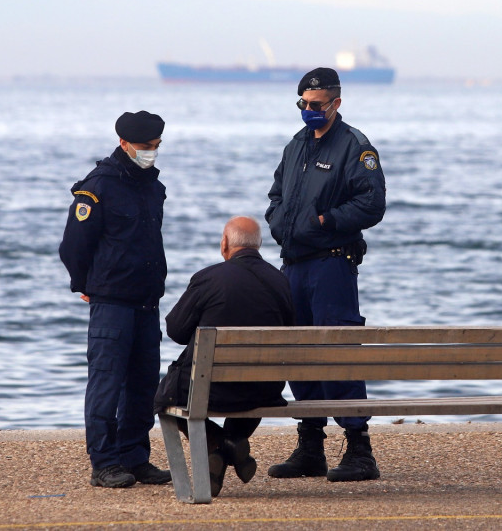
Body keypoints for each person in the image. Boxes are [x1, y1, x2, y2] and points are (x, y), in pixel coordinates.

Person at [264, 68, 386, 482]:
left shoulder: (355, 146)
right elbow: (276, 195)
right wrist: (279, 222)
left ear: (336, 103)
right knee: (297, 353)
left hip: (332, 264)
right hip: (293, 264)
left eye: (317, 104)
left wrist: (324, 220)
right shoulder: (296, 145)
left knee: (339, 351)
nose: (309, 110)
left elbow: (372, 203)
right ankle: (310, 445)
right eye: (303, 103)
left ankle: (359, 449)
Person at [59, 110, 172, 488]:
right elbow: (73, 246)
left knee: (143, 386)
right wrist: (85, 284)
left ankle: (135, 457)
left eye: (156, 145)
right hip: (112, 303)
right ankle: (104, 462)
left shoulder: (153, 187)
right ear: (123, 143)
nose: (151, 152)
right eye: (145, 146)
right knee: (106, 385)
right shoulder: (98, 187)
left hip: (147, 302)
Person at [154, 216, 294, 497]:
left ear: (225, 243)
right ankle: (232, 442)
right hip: (266, 389)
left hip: (212, 390)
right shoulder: (281, 281)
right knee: (250, 386)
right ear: (258, 244)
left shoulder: (208, 278)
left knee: (162, 396)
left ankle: (220, 443)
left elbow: (176, 331)